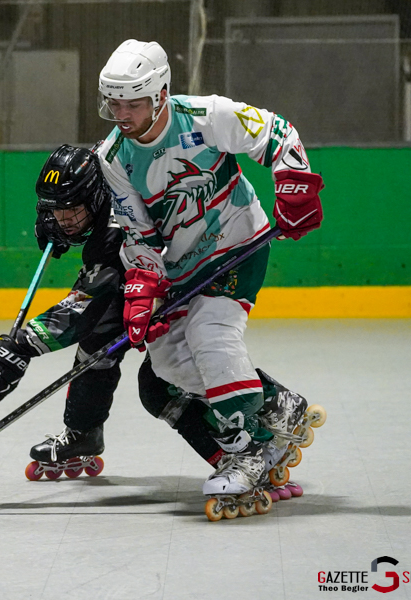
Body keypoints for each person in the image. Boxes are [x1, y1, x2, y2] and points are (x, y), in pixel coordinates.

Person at [0, 145, 313, 505]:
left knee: (157, 383)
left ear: (96, 197)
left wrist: (21, 346)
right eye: (56, 210)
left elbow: (85, 307)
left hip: (199, 266)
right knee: (100, 345)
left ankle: (269, 409)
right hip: (154, 271)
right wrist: (56, 219)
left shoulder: (116, 228)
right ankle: (83, 433)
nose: (64, 219)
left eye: (72, 210)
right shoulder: (100, 172)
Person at [94, 39, 324, 506]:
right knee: (167, 362)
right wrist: (142, 290)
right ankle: (276, 404)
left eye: (133, 103)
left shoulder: (205, 115)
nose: (122, 114)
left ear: (160, 94)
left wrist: (294, 183)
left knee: (210, 335)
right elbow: (138, 233)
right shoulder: (113, 157)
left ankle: (248, 450)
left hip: (237, 243)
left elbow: (277, 133)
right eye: (114, 103)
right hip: (183, 268)